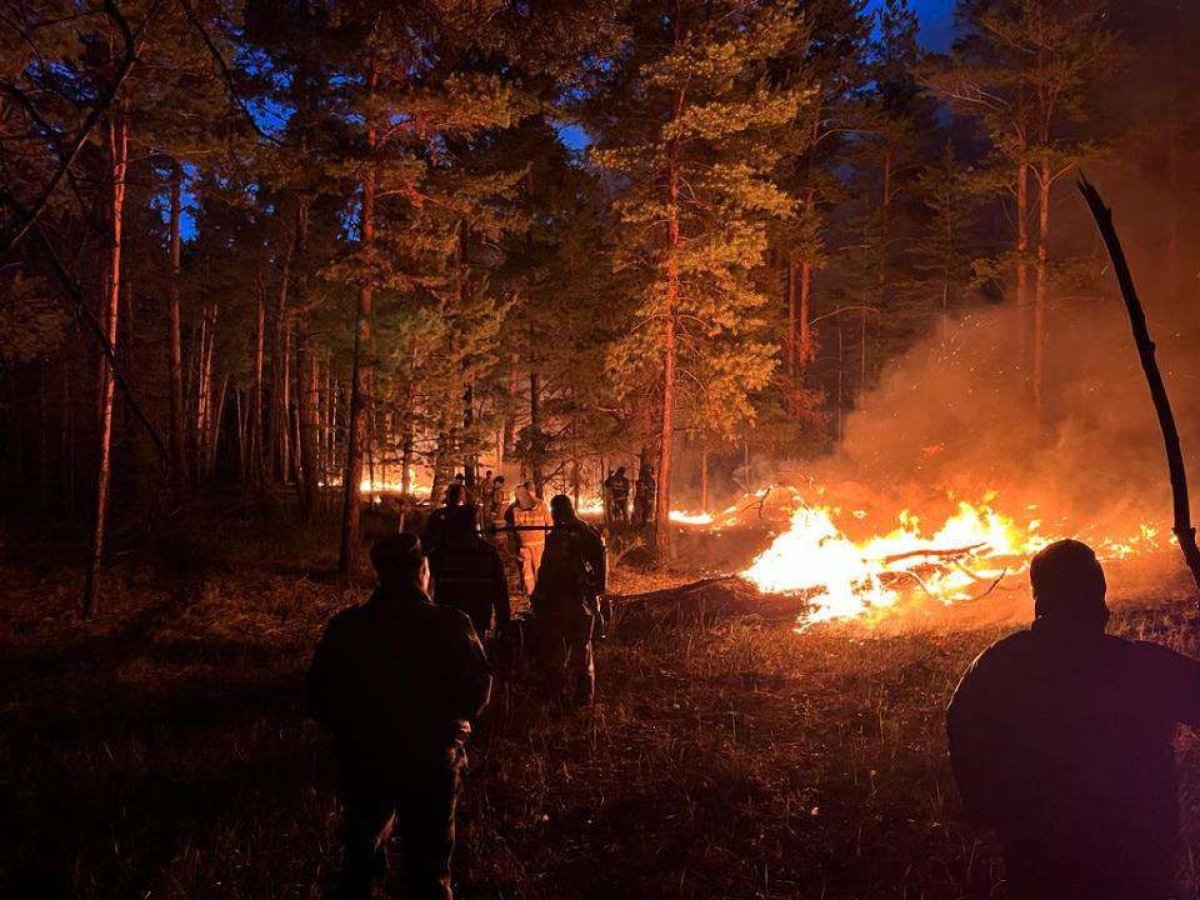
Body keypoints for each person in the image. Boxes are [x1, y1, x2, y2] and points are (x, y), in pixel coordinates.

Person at [947, 538, 1200, 900]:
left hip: (1036, 856)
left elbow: (961, 727)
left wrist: (986, 808)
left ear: (1038, 598)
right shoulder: (1136, 666)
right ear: (1098, 597)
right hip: (1134, 857)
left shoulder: (995, 667)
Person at [307, 533, 492, 900]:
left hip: (365, 761)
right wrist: (459, 720)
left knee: (362, 865)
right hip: (431, 760)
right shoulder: (451, 623)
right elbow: (478, 684)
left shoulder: (347, 627)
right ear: (423, 570)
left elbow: (319, 695)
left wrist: (352, 731)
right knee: (430, 872)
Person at [532, 495, 606, 706]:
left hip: (576, 601)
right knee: (566, 650)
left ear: (559, 511)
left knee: (576, 649)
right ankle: (561, 695)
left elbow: (600, 565)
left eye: (554, 510)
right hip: (561, 602)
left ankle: (580, 697)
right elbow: (545, 569)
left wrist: (594, 589)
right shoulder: (561, 535)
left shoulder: (582, 534)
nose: (553, 515)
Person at [427, 505, 511, 639]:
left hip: (449, 621)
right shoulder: (488, 552)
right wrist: (504, 622)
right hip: (475, 620)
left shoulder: (442, 553)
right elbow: (500, 590)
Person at [504, 480, 551, 595]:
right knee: (539, 572)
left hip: (522, 547)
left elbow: (509, 528)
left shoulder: (514, 508)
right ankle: (541, 597)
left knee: (527, 574)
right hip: (540, 547)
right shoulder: (541, 505)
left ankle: (530, 597)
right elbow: (550, 526)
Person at [423, 483, 465, 555]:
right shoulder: (464, 514)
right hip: (454, 552)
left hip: (440, 551)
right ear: (461, 496)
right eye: (462, 493)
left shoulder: (437, 513)